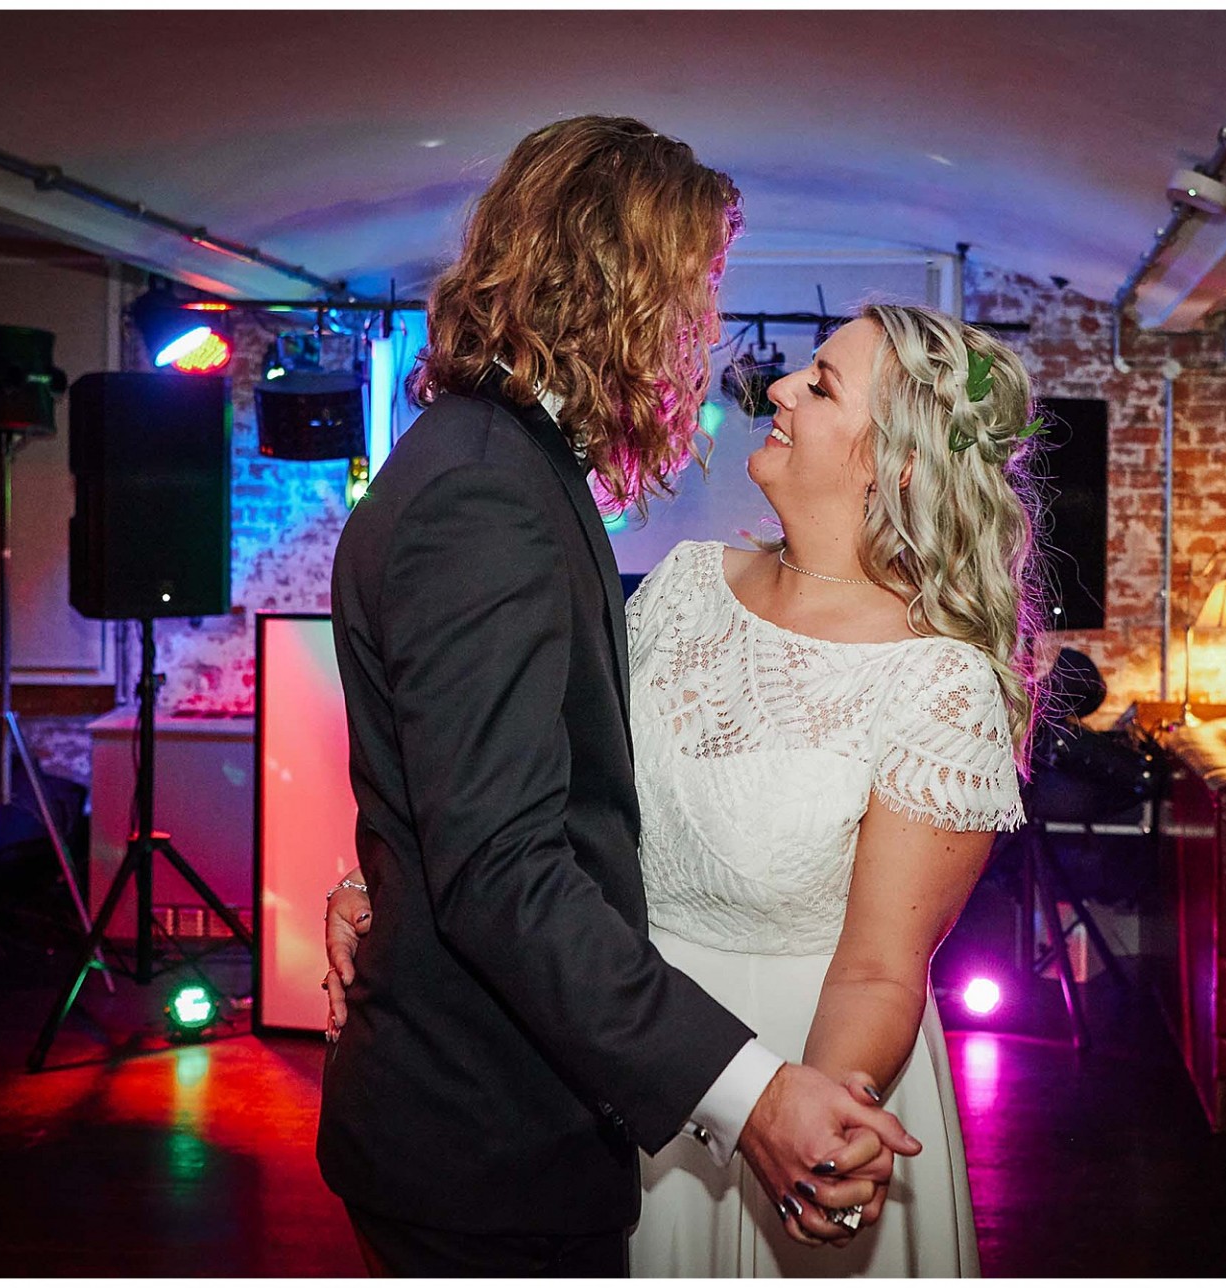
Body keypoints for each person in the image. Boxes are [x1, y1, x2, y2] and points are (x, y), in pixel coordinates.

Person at [316, 116, 920, 1278]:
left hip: (535, 1114)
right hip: (486, 1142)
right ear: (623, 289)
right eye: (695, 293)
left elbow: (503, 782)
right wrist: (750, 1096)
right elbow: (499, 864)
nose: (703, 333)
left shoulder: (507, 467)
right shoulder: (483, 496)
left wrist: (380, 875)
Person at [329, 303, 1045, 1274]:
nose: (778, 389)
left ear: (898, 463)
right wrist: (386, 882)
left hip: (805, 1070)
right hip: (619, 1060)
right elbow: (523, 786)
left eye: (822, 384)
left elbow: (880, 967)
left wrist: (812, 1120)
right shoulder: (684, 585)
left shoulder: (938, 679)